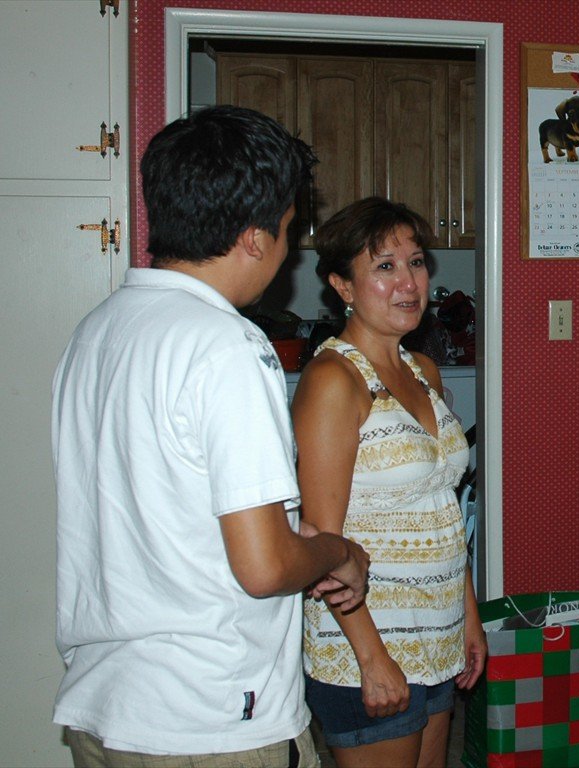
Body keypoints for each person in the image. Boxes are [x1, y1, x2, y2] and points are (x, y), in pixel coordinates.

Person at [51, 105, 370, 767]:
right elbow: (264, 569)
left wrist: (288, 539)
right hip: (209, 715)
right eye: (286, 232)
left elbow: (164, 512)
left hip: (108, 701)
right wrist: (338, 552)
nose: (285, 254)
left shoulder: (98, 331)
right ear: (256, 236)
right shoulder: (226, 344)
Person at [294, 197, 487, 768]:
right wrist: (371, 659)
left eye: (417, 262)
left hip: (438, 630)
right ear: (342, 286)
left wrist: (468, 618)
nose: (409, 282)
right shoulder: (334, 380)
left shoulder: (421, 371)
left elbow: (444, 510)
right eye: (384, 266)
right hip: (369, 642)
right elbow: (323, 541)